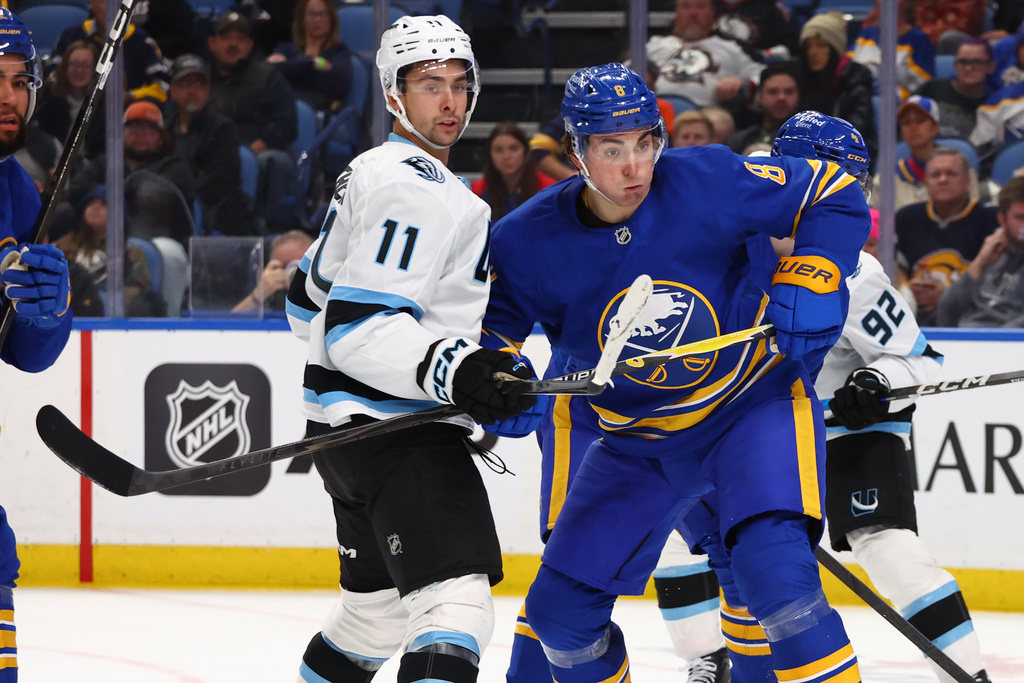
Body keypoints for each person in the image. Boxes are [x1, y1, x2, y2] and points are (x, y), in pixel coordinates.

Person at [483, 64, 869, 683]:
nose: (635, 168)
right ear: (576, 149)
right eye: (612, 149)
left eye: (646, 143)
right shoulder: (522, 240)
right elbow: (491, 336)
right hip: (637, 440)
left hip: (750, 409)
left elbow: (831, 188)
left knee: (778, 584)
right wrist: (495, 380)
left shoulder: (709, 177)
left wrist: (821, 267)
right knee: (560, 617)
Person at [284, 15, 538, 683]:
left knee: (374, 618)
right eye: (430, 85)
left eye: (460, 83)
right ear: (394, 94)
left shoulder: (368, 171)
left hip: (344, 445)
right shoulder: (420, 188)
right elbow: (357, 327)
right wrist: (459, 367)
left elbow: (304, 303)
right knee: (454, 603)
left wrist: (468, 363)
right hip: (400, 437)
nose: (450, 101)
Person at [774, 121, 991, 683]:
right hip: (762, 429)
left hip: (848, 429)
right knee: (710, 548)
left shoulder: (856, 272)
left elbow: (915, 360)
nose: (851, 196)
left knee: (886, 545)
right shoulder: (731, 251)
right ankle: (710, 657)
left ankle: (966, 674)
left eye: (856, 182)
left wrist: (873, 386)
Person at [0, 10, 75, 681]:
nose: (8, 95)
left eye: (19, 79)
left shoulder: (13, 188)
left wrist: (47, 310)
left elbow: (25, 353)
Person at [207, 11, 300, 231]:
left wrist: (260, 145)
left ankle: (264, 227)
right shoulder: (199, 79)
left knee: (272, 161)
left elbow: (286, 123)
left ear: (249, 45)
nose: (233, 44)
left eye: (240, 39)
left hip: (256, 149)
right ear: (212, 43)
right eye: (226, 38)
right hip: (212, 153)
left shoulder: (267, 76)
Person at [68, 100, 197, 250]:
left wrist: (105, 197)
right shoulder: (105, 162)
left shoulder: (174, 167)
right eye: (133, 127)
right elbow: (77, 188)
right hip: (100, 237)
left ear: (160, 138)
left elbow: (152, 198)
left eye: (149, 128)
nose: (140, 133)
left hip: (159, 243)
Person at [896, 148, 998, 325]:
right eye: (935, 175)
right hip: (911, 317)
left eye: (951, 174)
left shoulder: (991, 218)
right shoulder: (906, 218)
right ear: (926, 182)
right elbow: (893, 269)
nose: (943, 179)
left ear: (967, 181)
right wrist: (908, 292)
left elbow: (997, 279)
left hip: (970, 317)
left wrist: (951, 295)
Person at [164, 53, 258, 237]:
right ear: (172, 91)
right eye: (185, 84)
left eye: (200, 84)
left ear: (208, 90)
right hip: (171, 212)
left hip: (219, 217)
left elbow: (218, 183)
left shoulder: (222, 129)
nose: (193, 90)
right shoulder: (164, 130)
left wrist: (178, 198)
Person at [646, 0, 765, 109]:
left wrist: (741, 82)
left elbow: (763, 77)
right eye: (686, 6)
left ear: (713, 13)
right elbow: (629, 75)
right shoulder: (653, 46)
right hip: (656, 111)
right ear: (676, 13)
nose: (693, 13)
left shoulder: (730, 48)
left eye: (701, 6)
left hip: (709, 116)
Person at [937, 175, 1024, 326]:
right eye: (1020, 218)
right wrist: (979, 263)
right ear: (1002, 220)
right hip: (966, 341)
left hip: (1007, 345)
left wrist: (996, 342)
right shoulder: (992, 256)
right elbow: (945, 314)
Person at [796, 12, 878, 166]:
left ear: (835, 48)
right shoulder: (803, 81)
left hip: (850, 162)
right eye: (808, 46)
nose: (812, 52)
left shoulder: (857, 81)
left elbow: (855, 134)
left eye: (821, 45)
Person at [873, 95, 982, 211]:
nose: (913, 127)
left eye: (920, 121)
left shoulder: (962, 171)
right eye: (906, 122)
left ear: (935, 127)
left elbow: (973, 213)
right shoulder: (886, 180)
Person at [50, 0, 170, 105]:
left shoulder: (142, 41)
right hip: (72, 117)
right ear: (92, 2)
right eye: (103, 1)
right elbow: (50, 78)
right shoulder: (70, 36)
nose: (109, 8)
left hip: (126, 122)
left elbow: (162, 86)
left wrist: (132, 96)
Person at [267, 0, 354, 114]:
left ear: (332, 19)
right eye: (312, 14)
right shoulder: (286, 49)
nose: (318, 19)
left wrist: (291, 71)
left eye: (323, 14)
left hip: (319, 114)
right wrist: (311, 64)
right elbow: (269, 72)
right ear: (301, 18)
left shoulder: (338, 52)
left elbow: (338, 84)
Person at [471, 122, 557, 223]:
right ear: (490, 155)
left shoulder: (549, 190)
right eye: (499, 150)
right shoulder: (476, 193)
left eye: (513, 148)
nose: (507, 156)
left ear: (525, 152)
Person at [852, 0, 935, 102]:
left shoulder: (918, 39)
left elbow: (924, 83)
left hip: (899, 103)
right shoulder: (867, 33)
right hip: (859, 97)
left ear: (907, 4)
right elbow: (848, 68)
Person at [915, 37, 995, 139]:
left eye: (976, 62)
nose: (968, 68)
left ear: (991, 67)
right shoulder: (932, 88)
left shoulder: (994, 103)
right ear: (955, 65)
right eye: (963, 62)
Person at [724, 60, 799, 154]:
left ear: (798, 96)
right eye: (773, 92)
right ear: (759, 96)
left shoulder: (812, 143)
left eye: (789, 92)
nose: (781, 98)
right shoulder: (736, 142)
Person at [233, 229, 312, 313]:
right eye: (288, 266)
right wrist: (260, 294)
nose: (296, 274)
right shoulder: (271, 297)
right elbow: (230, 323)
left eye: (303, 264)